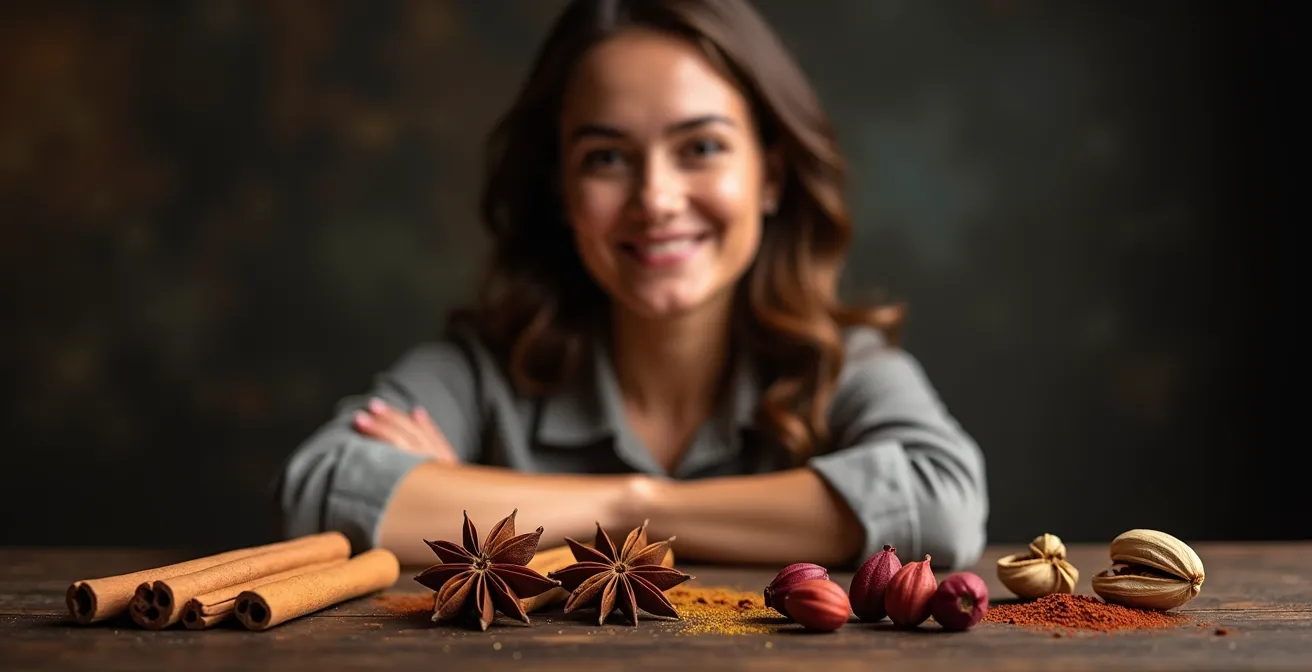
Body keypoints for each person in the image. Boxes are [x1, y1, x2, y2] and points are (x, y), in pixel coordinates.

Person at [277, 0, 988, 570]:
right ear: (561, 188)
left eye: (702, 148)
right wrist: (631, 505)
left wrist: (625, 507)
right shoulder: (479, 369)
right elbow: (324, 488)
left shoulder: (842, 365)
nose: (656, 198)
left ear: (770, 175)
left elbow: (943, 504)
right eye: (607, 158)